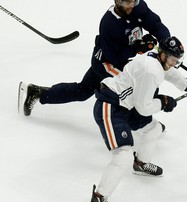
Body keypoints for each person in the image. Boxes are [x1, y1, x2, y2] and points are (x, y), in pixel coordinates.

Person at [88, 36, 187, 202]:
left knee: (153, 129)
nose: (174, 64)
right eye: (173, 60)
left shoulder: (157, 59)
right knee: (123, 155)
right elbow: (144, 108)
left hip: (127, 105)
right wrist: (163, 102)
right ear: (164, 55)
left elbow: (169, 72)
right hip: (110, 106)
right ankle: (99, 197)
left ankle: (141, 163)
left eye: (177, 60)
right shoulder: (150, 70)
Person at [20, 0, 170, 119]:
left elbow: (155, 25)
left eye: (133, 1)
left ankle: (37, 92)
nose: (131, 6)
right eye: (126, 2)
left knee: (82, 91)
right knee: (136, 85)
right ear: (117, 1)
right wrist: (138, 47)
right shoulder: (110, 23)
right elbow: (114, 56)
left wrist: (167, 43)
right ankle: (143, 125)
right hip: (106, 63)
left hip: (117, 60)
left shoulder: (138, 7)